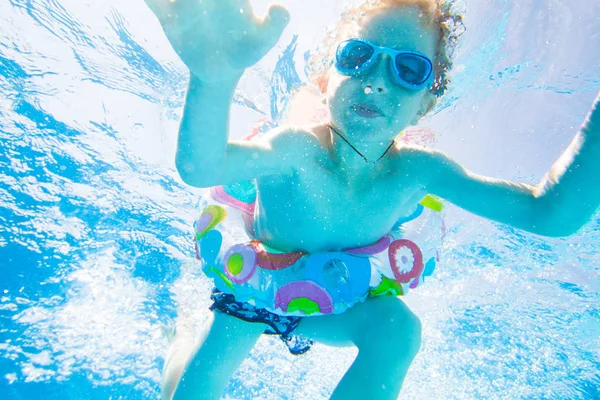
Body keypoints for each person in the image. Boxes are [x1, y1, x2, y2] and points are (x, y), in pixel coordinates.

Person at [144, 0, 600, 398]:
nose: (378, 81)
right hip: (252, 291)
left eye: (408, 69)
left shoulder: (419, 171)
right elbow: (203, 167)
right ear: (327, 79)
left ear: (425, 102)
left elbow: (550, 213)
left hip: (337, 301)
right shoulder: (295, 150)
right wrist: (212, 79)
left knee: (398, 332)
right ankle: (180, 342)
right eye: (359, 56)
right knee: (184, 391)